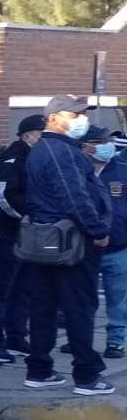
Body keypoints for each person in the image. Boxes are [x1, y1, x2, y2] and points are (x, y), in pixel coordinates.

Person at [23, 95, 113, 395]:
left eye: (82, 114)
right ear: (53, 118)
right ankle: (86, 375)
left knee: (44, 306)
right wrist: (97, 229)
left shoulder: (48, 149)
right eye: (74, 114)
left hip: (48, 239)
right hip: (71, 240)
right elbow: (74, 197)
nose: (81, 119)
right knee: (79, 308)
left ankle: (39, 369)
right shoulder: (59, 151)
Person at [0, 115, 44, 361]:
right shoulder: (14, 159)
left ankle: (17, 336)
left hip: (29, 234)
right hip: (9, 233)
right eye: (41, 133)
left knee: (24, 288)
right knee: (1, 290)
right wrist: (25, 217)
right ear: (27, 134)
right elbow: (4, 196)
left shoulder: (34, 158)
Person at [86, 131, 127, 360]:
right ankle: (81, 339)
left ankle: (116, 341)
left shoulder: (122, 169)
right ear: (88, 146)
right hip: (87, 246)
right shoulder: (81, 170)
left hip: (118, 246)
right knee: (84, 298)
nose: (108, 146)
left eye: (110, 142)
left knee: (118, 300)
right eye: (102, 142)